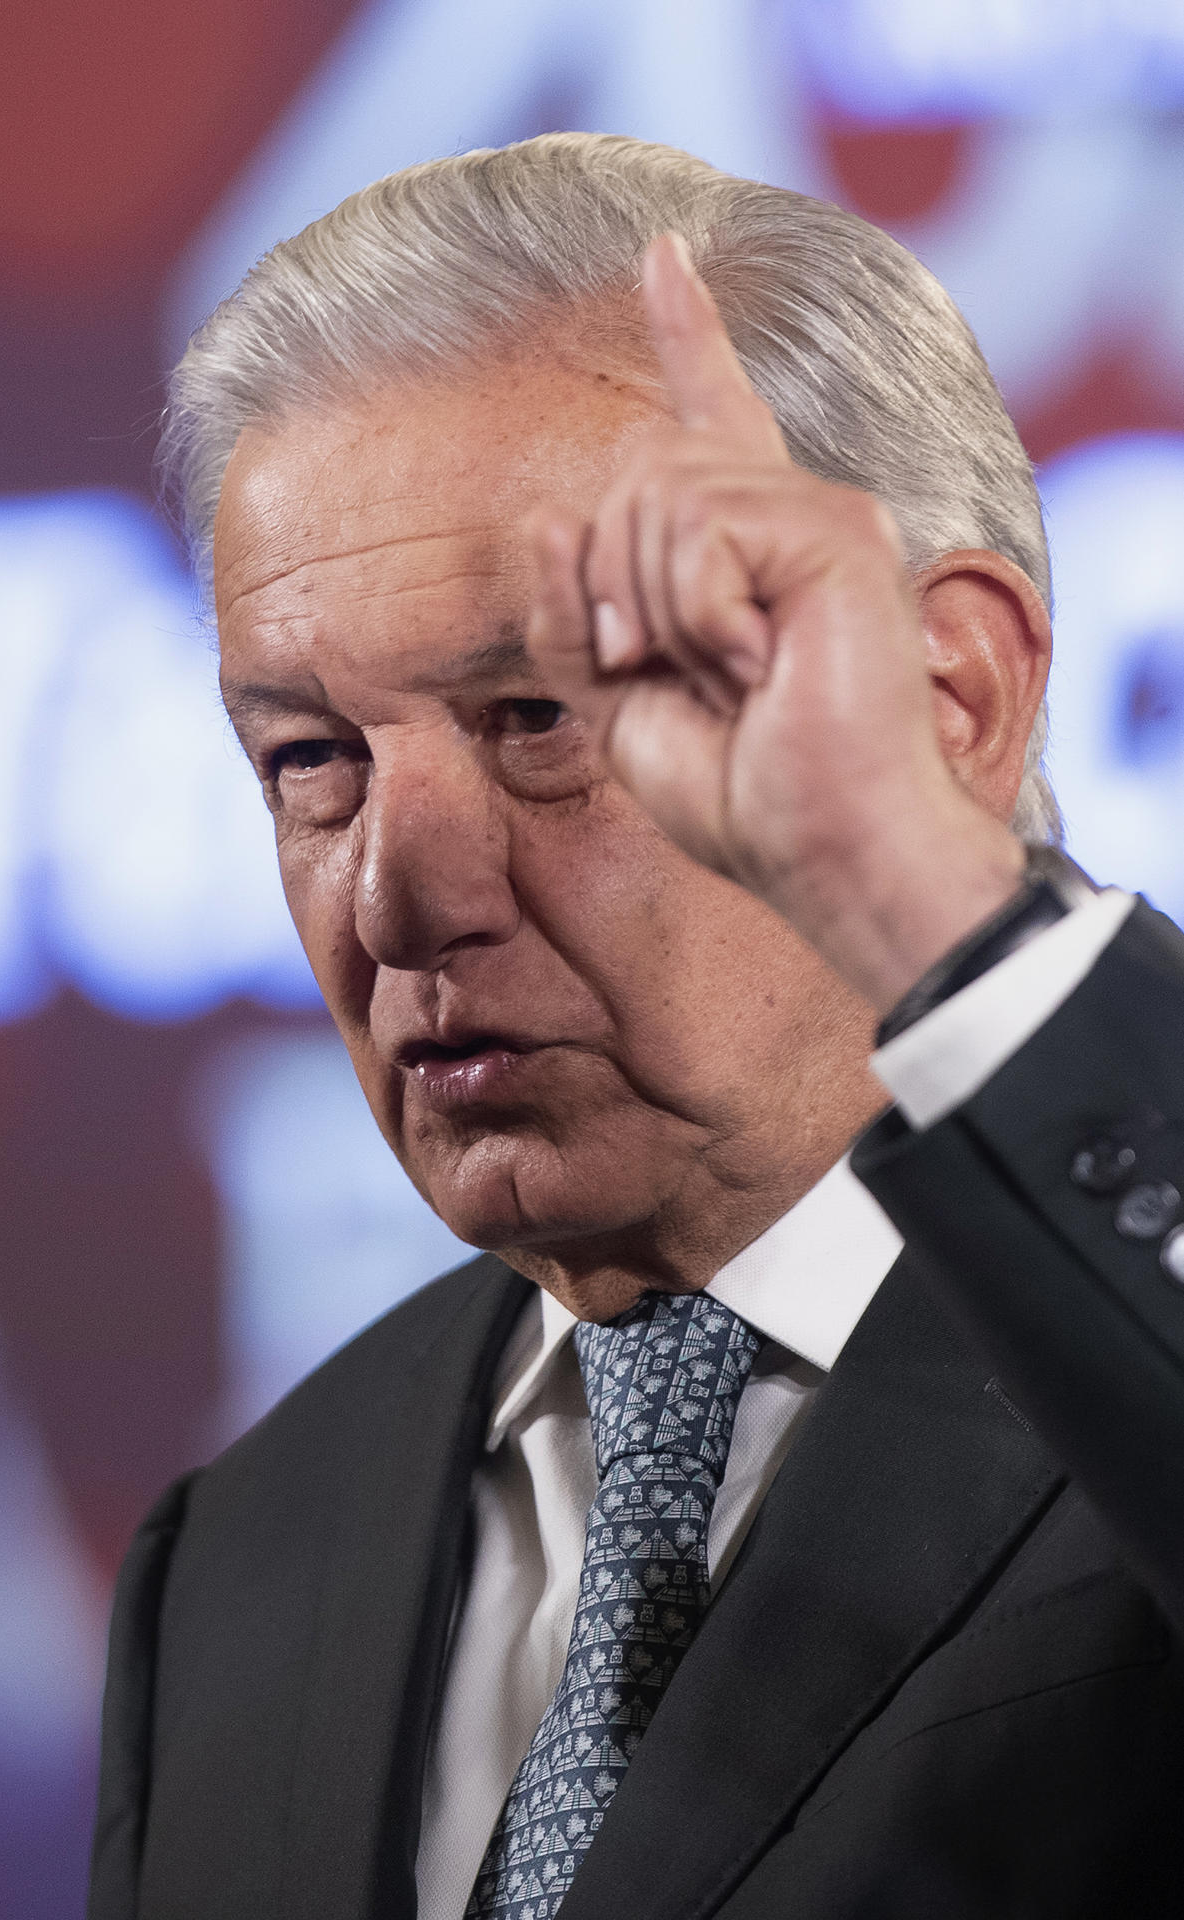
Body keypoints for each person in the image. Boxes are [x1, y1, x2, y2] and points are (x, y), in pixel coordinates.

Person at [89, 135, 1184, 1919]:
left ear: (949, 695)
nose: (395, 899)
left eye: (535, 714)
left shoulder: (1136, 1321)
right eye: (313, 760)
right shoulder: (239, 1564)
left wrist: (915, 881)